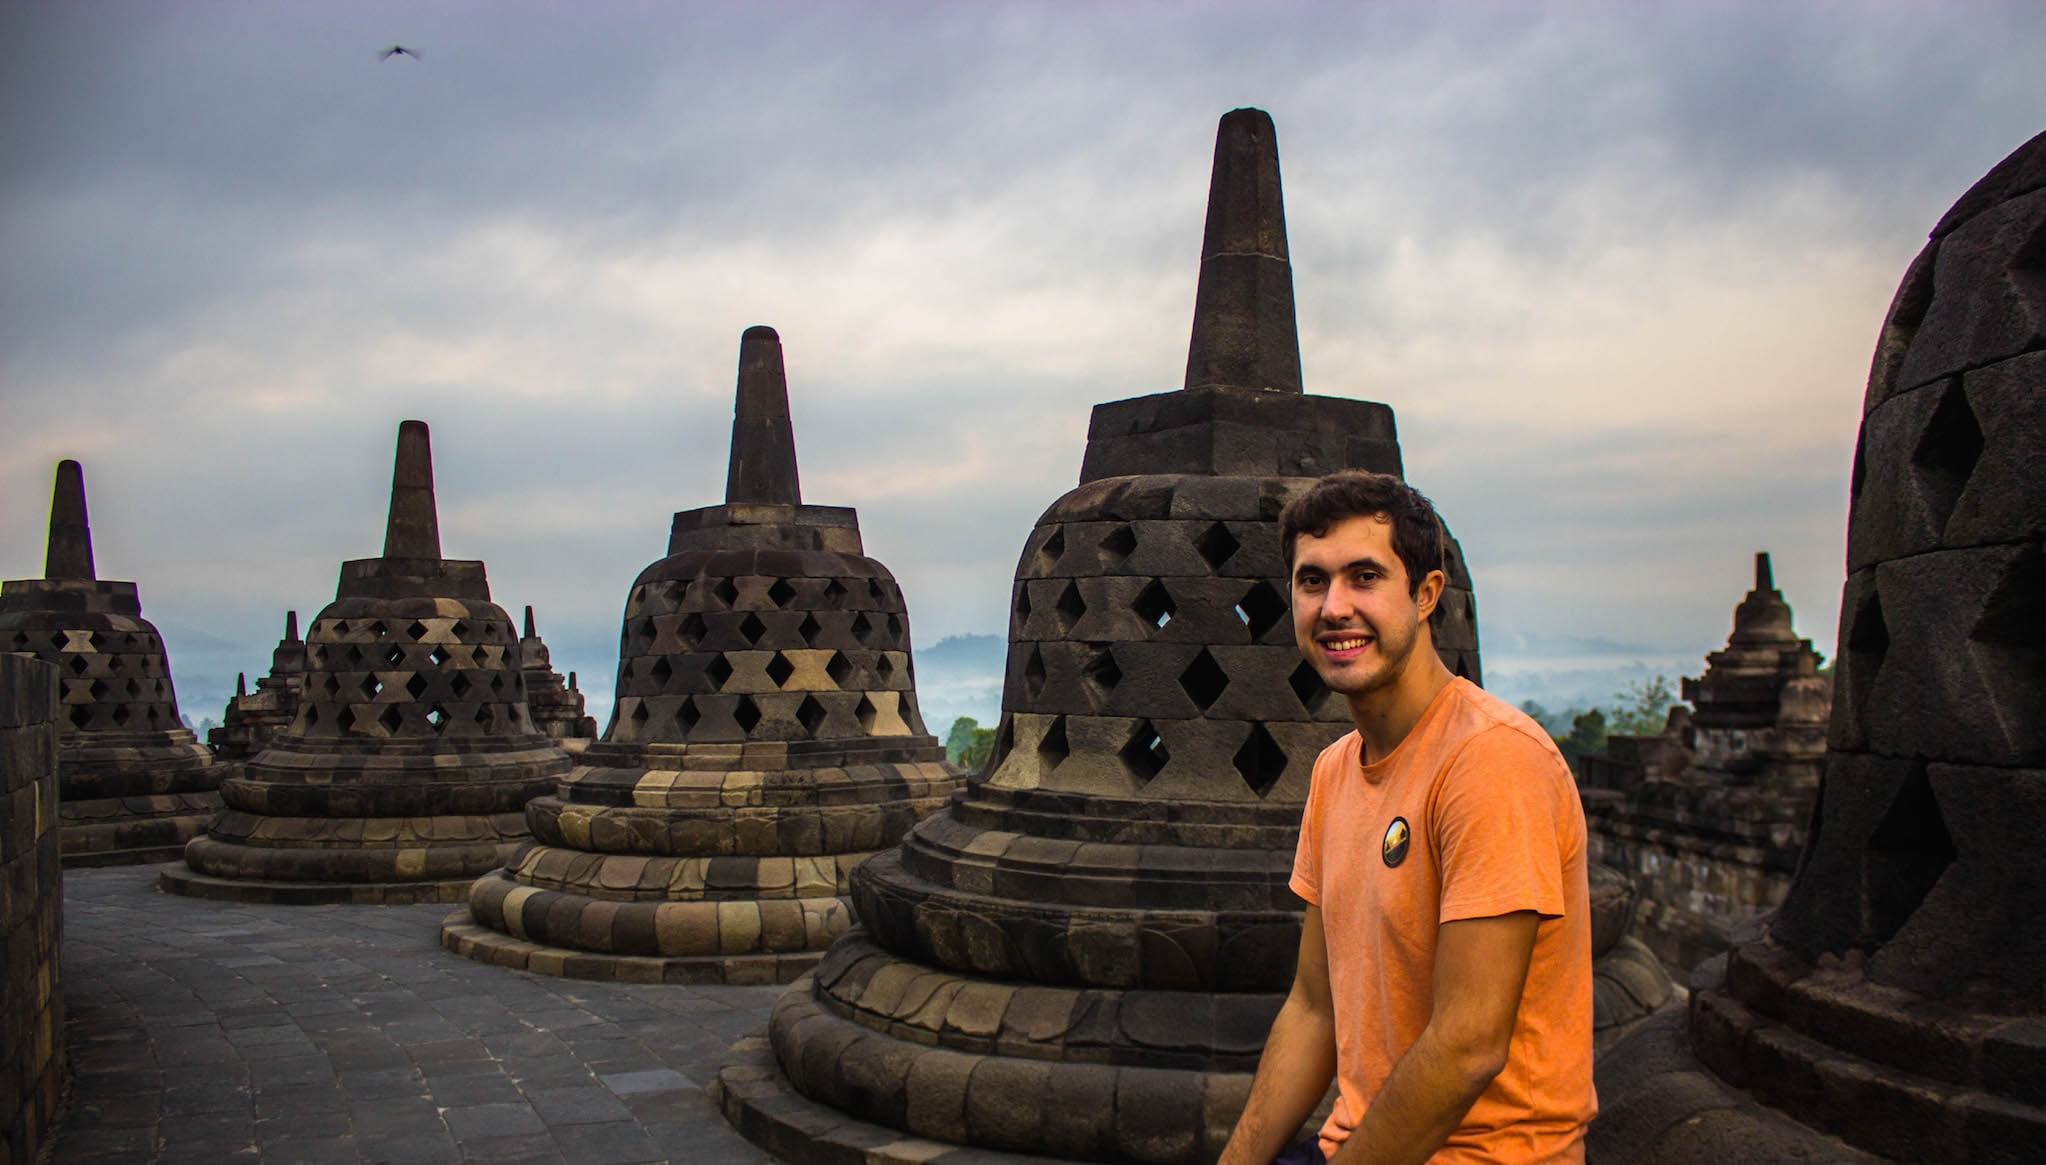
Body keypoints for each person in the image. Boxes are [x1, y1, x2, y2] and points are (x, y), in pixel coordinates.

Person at [1220, 471, 1594, 1165]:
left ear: (1425, 594)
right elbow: (1313, 1007)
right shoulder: (1336, 771)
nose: (1335, 606)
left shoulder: (1490, 762)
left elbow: (1468, 1044)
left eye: (1365, 576)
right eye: (1312, 581)